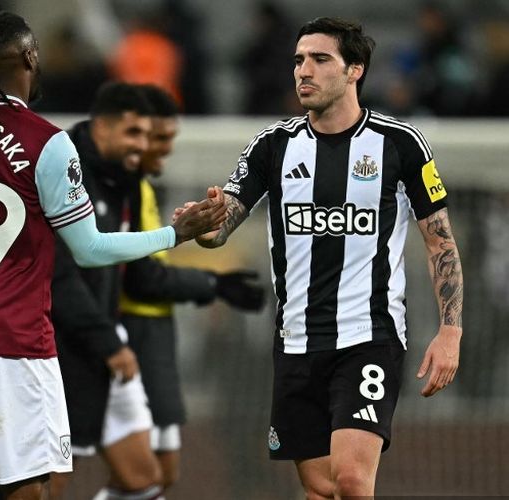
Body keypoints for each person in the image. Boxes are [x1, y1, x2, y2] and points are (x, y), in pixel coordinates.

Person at [0, 12, 226, 500]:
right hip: (12, 337)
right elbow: (90, 249)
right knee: (28, 490)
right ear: (29, 59)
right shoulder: (48, 143)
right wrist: (173, 235)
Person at [177, 17, 464, 499]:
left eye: (319, 59)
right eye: (298, 60)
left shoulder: (399, 145)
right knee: (319, 488)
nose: (302, 71)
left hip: (368, 336)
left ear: (355, 70)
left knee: (352, 481)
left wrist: (450, 330)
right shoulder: (274, 146)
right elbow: (223, 224)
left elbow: (441, 243)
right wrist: (201, 224)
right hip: (296, 342)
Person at [119, 84, 266, 492]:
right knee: (134, 473)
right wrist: (210, 282)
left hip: (153, 337)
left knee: (155, 475)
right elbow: (140, 275)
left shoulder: (143, 190)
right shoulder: (117, 191)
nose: (166, 150)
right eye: (160, 138)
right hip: (125, 339)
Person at [49, 81, 168, 500]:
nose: (143, 145)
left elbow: (135, 273)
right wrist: (108, 344)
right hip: (60, 349)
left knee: (143, 480)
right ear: (102, 127)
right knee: (48, 483)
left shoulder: (127, 180)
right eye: (133, 133)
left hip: (104, 341)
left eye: (148, 135)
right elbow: (59, 278)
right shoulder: (61, 170)